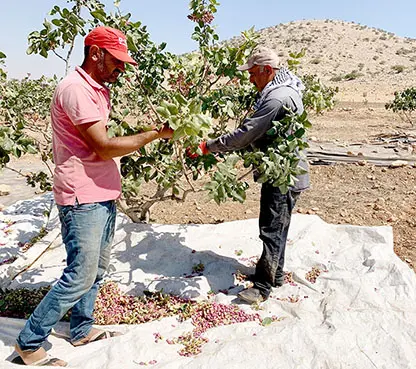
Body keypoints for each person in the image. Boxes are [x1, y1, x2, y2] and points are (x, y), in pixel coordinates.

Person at [13, 26, 173, 367]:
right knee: (81, 273)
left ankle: (81, 328)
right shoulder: (75, 90)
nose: (122, 69)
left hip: (100, 191)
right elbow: (101, 146)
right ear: (95, 54)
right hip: (80, 195)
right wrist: (154, 135)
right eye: (116, 61)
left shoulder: (97, 89)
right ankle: (29, 341)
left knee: (97, 269)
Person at [190, 46, 309, 304]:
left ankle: (263, 286)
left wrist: (207, 147)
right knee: (279, 226)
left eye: (254, 73)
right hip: (285, 172)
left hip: (282, 176)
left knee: (272, 228)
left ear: (268, 70)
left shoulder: (276, 98)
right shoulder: (285, 89)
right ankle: (275, 274)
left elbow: (246, 134)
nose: (250, 79)